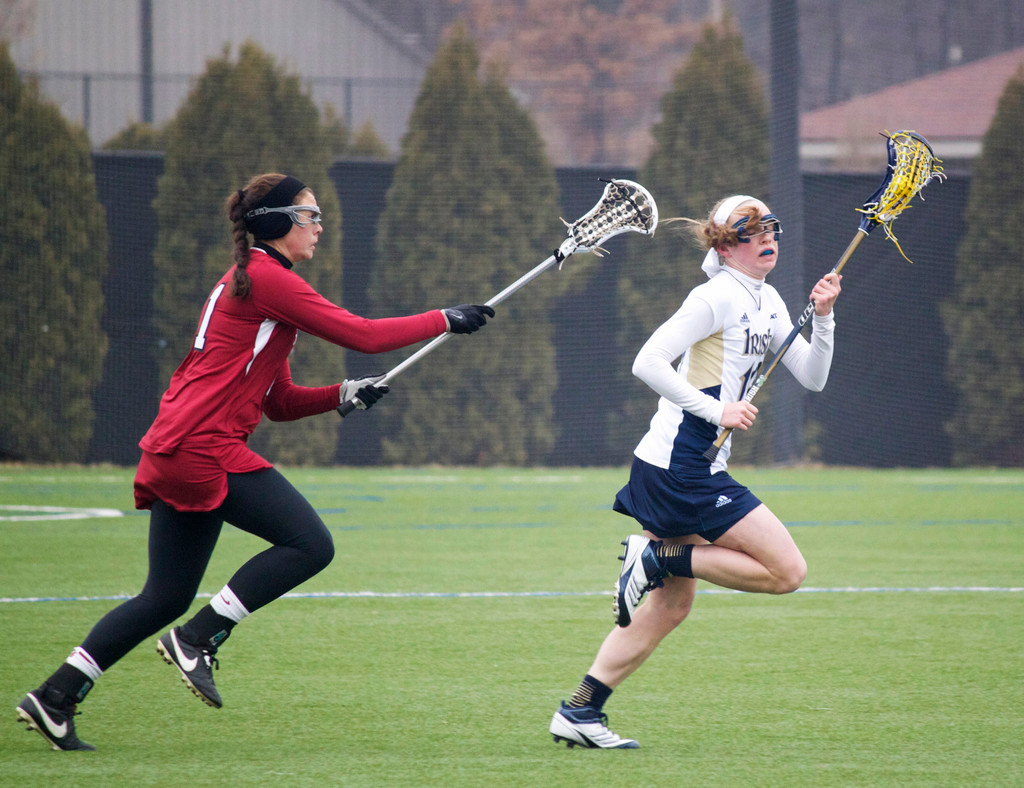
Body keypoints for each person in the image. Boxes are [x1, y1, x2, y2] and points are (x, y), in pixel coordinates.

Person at [15, 173, 495, 751]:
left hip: (175, 445)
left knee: (163, 596)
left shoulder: (260, 284)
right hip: (202, 447)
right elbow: (363, 334)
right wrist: (444, 317)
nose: (319, 227)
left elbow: (278, 401)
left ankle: (56, 696)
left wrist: (341, 394)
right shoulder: (268, 279)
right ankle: (199, 637)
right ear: (275, 223)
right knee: (310, 545)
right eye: (309, 216)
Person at [549, 194, 841, 749]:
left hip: (674, 468)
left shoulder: (770, 299)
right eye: (751, 228)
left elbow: (813, 376)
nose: (767, 235)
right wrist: (718, 410)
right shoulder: (715, 297)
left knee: (671, 605)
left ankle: (580, 711)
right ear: (726, 244)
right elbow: (647, 361)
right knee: (787, 572)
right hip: (683, 467)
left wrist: (822, 319)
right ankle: (655, 555)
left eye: (770, 225)